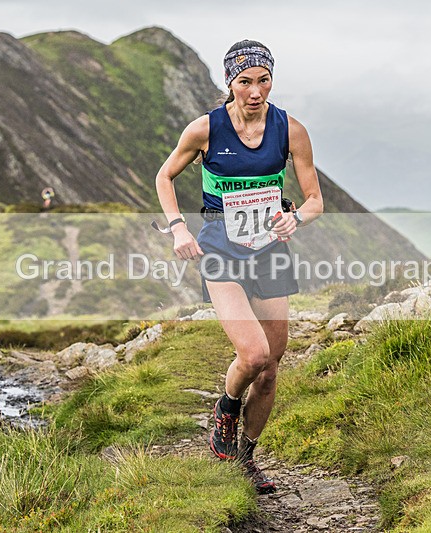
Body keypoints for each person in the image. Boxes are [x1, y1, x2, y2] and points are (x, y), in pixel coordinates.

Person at [155, 39, 323, 493]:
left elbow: (314, 201)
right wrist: (178, 228)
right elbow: (164, 176)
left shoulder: (291, 130)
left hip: (269, 251)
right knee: (253, 355)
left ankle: (245, 459)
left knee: (270, 369)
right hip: (220, 251)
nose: (255, 91)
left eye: (263, 80)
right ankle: (226, 411)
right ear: (230, 83)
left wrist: (295, 219)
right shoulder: (205, 129)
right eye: (245, 82)